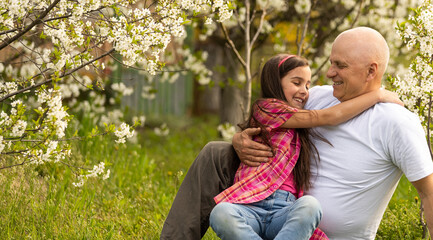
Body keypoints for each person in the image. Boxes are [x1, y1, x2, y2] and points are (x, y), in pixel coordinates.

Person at [160, 27, 433, 240]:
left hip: (309, 223)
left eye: (340, 65)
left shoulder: (396, 121)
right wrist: (239, 140)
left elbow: (430, 194)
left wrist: (378, 96)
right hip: (263, 210)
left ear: (371, 70)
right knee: (215, 152)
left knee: (309, 206)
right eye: (330, 63)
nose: (329, 72)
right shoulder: (318, 98)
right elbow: (273, 119)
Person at [209, 54, 402, 240]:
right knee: (221, 213)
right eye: (296, 83)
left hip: (284, 210)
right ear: (275, 82)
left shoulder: (298, 120)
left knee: (310, 206)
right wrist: (376, 95)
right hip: (249, 205)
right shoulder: (266, 108)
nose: (304, 91)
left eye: (308, 85)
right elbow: (325, 117)